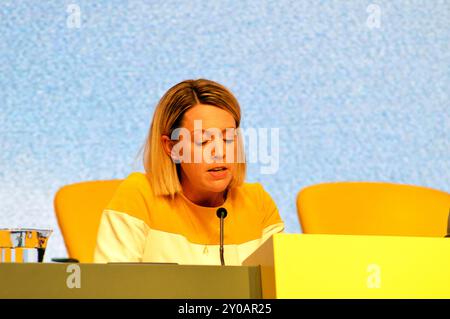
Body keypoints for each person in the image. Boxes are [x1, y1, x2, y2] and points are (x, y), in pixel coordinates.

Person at [94, 79, 284, 265]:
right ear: (171, 147)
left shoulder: (257, 202)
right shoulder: (139, 194)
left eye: (228, 139)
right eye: (203, 141)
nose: (219, 153)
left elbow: (283, 287)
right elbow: (111, 290)